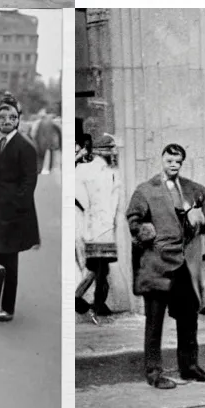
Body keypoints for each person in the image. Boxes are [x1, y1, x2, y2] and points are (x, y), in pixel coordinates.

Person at [127, 143, 205, 388]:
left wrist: (198, 220)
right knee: (155, 320)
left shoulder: (190, 189)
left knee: (189, 314)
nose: (173, 164)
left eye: (178, 161)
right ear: (162, 160)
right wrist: (145, 232)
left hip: (181, 263)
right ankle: (154, 372)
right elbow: (133, 218)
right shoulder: (146, 190)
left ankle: (189, 367)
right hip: (156, 263)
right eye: (169, 160)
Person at [0, 95, 40, 322]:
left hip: (11, 214)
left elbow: (28, 182)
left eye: (11, 117)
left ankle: (7, 307)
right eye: (1, 117)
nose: (6, 121)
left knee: (8, 263)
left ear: (19, 120)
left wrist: (15, 208)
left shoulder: (25, 147)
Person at [73, 133, 121, 316]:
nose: (113, 152)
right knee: (99, 266)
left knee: (98, 267)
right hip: (94, 224)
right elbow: (83, 198)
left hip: (105, 224)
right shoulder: (89, 169)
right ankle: (98, 303)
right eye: (109, 149)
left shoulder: (109, 170)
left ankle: (84, 299)